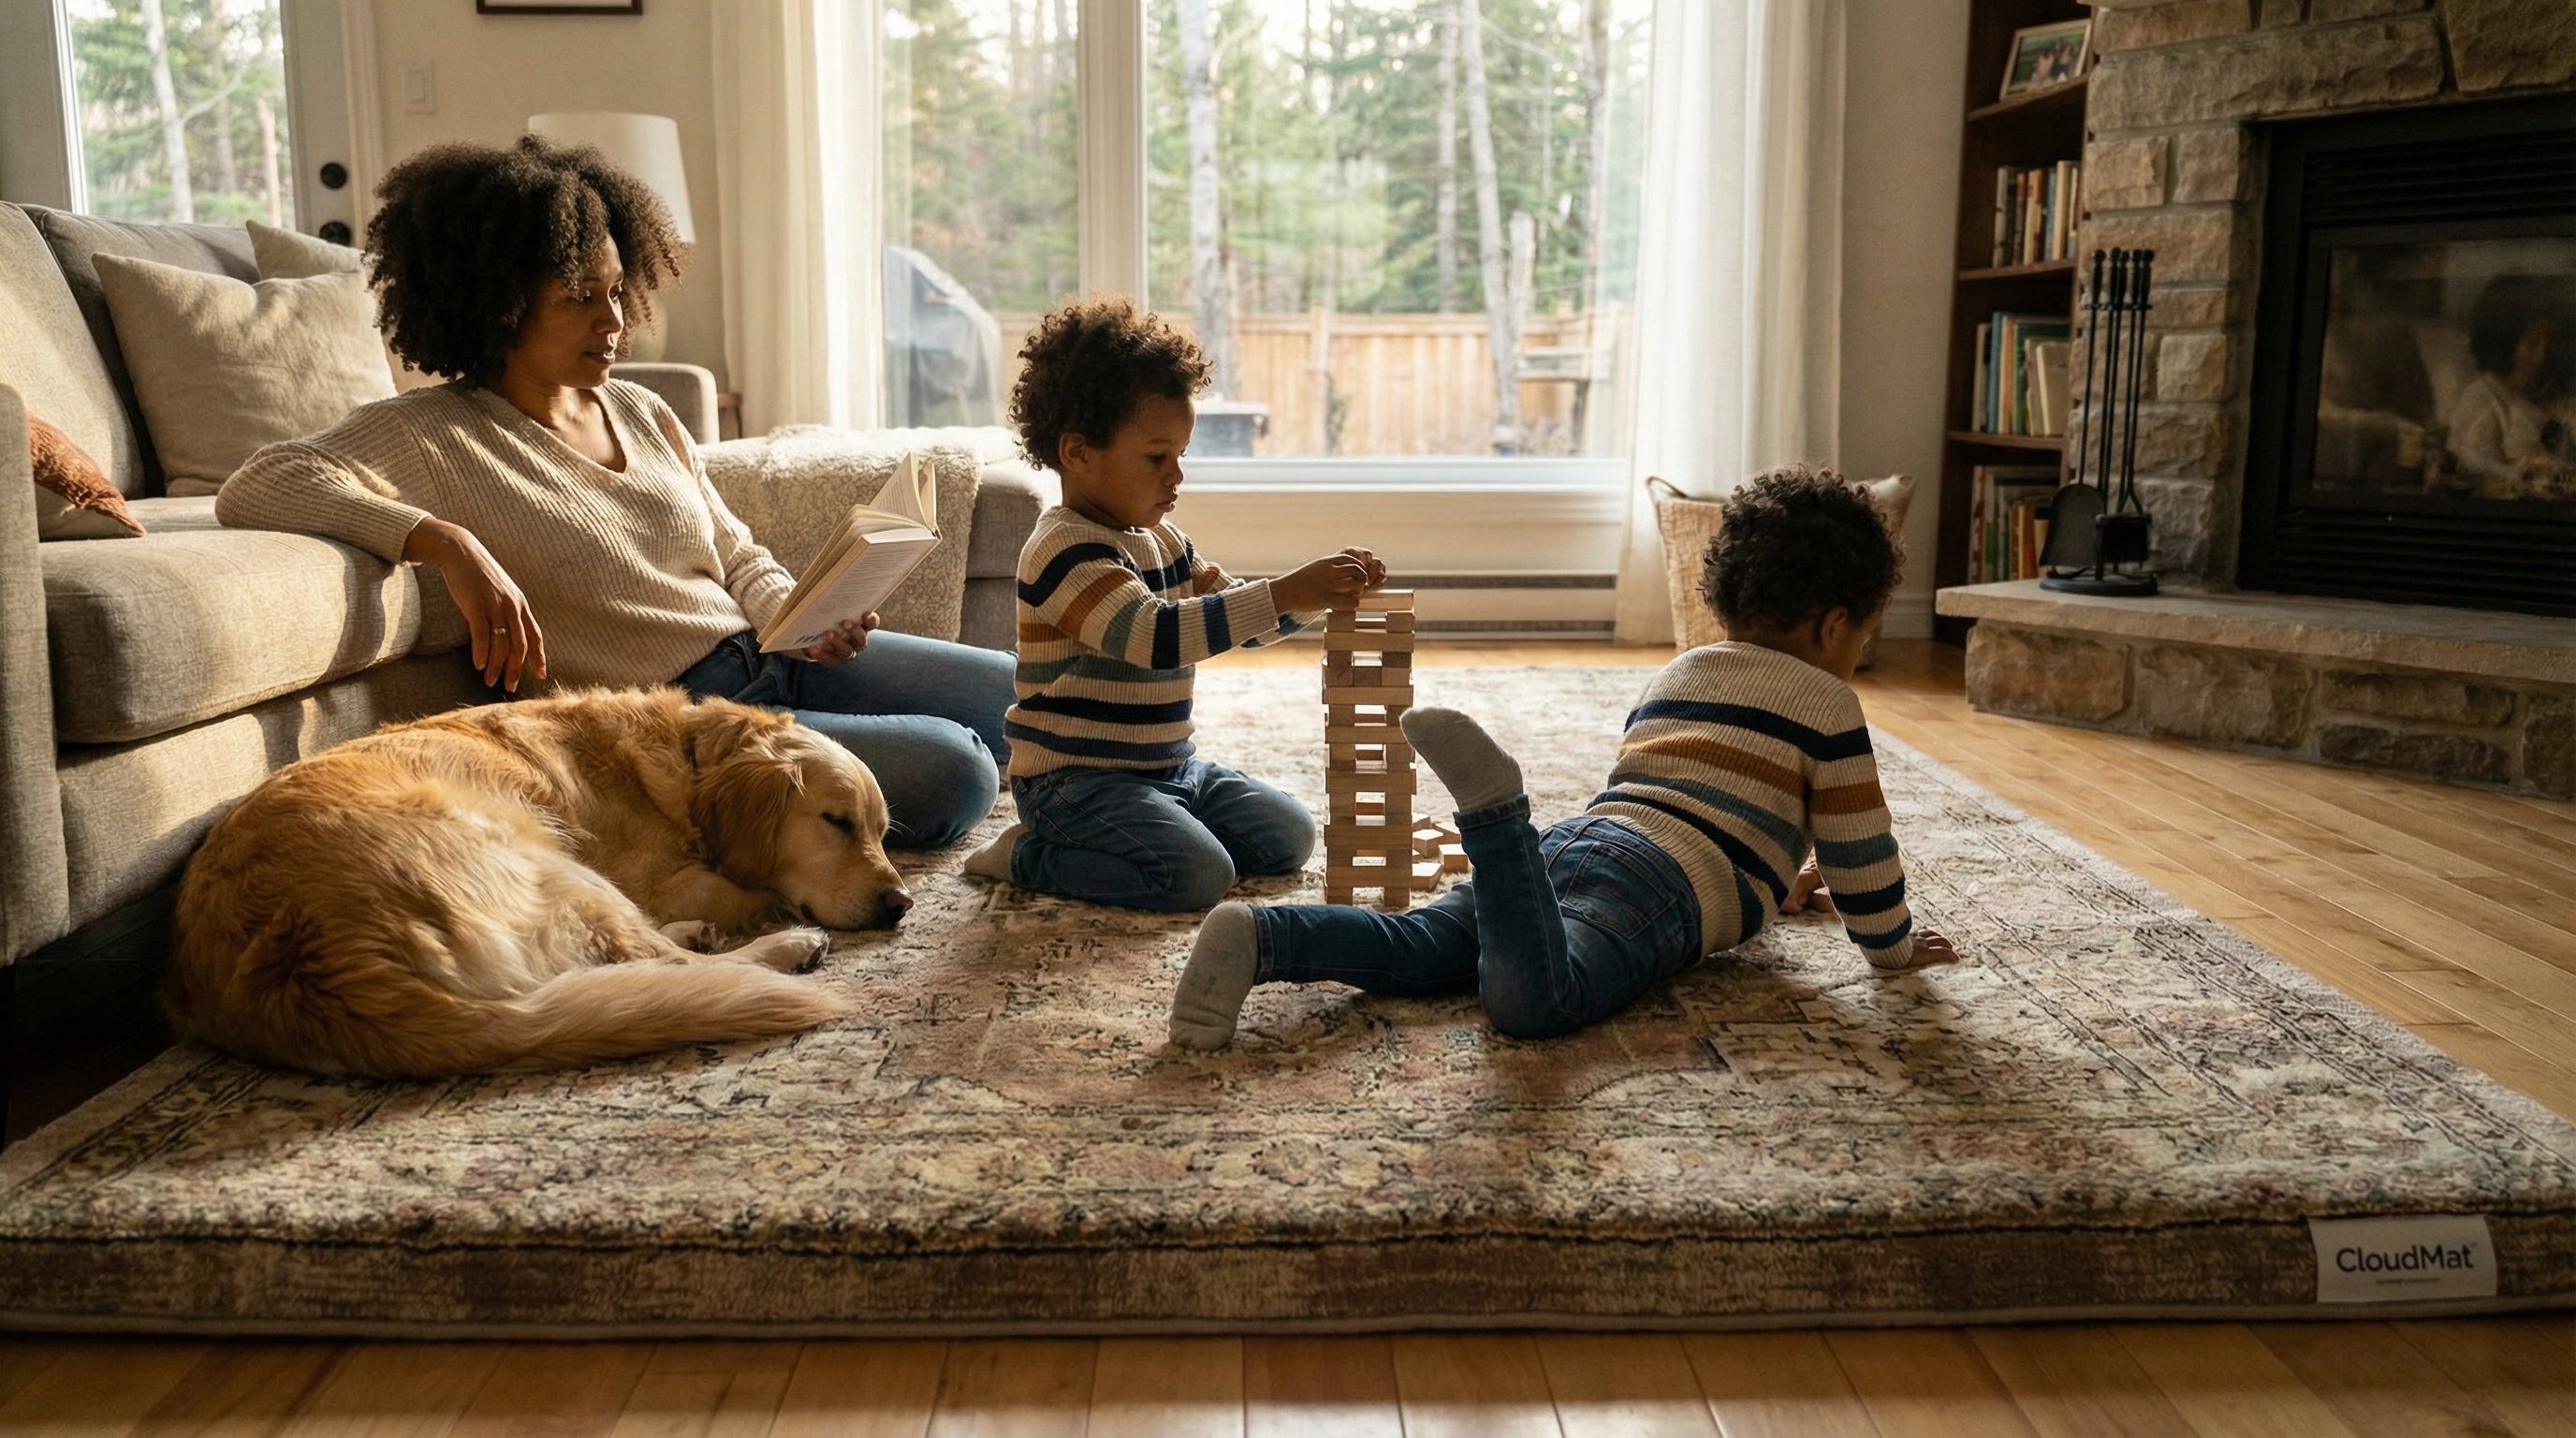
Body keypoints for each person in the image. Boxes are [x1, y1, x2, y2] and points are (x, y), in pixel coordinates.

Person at [216, 137, 1015, 847]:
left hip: (772, 656)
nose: (616, 322)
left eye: (616, 290)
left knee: (1026, 689)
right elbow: (263, 482)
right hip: (679, 728)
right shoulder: (431, 434)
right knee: (959, 772)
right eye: (580, 298)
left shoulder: (642, 407)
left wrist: (797, 620)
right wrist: (444, 542)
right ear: (496, 307)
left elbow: (735, 552)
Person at [1168, 464, 1959, 1049]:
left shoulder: (1679, 673)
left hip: (1577, 844)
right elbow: (1860, 853)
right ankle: (1494, 813)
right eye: (1863, 633)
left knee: (1425, 948)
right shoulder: (1828, 705)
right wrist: (1891, 947)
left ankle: (1262, 936)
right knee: (1536, 1002)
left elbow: (1697, 795)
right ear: (1834, 626)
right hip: (1659, 888)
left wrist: (1773, 880)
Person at [963, 297, 1383, 910]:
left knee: (1289, 836)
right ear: (1078, 453)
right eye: (1157, 457)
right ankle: (1025, 855)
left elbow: (1240, 618)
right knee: (1196, 877)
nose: (1176, 476)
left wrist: (1318, 597)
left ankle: (1151, 831)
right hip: (1074, 783)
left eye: (1181, 455)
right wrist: (1289, 589)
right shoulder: (1062, 550)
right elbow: (1154, 636)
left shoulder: (1163, 541)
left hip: (1168, 770)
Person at [2447, 274, 2576, 501]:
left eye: (2549, 340)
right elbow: (2474, 475)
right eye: (2533, 342)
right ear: (2505, 343)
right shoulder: (2482, 398)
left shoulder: (2556, 394)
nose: (2544, 352)